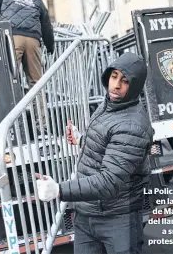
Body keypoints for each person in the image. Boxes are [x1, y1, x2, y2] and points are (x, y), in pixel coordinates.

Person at [36, 52, 154, 254]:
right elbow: (109, 146)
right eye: (114, 76)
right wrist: (82, 139)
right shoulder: (109, 106)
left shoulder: (132, 124)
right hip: (87, 215)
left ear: (134, 86)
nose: (116, 85)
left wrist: (58, 190)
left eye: (124, 81)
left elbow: (109, 181)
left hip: (118, 220)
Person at [0, 0, 55, 132]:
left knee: (7, 81)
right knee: (36, 84)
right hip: (34, 40)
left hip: (12, 36)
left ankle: (12, 128)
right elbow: (47, 25)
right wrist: (50, 46)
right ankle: (42, 127)